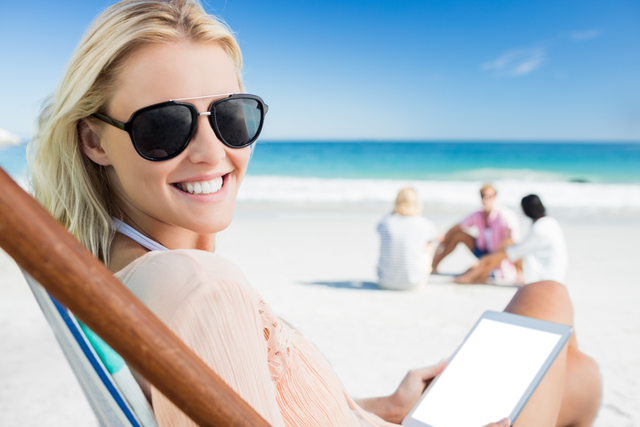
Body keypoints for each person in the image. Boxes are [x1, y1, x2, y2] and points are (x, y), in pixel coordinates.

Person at [28, 1, 600, 425]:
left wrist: (375, 407)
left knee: (570, 357)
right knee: (549, 305)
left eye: (232, 117)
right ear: (94, 141)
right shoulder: (201, 287)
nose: (212, 152)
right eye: (165, 125)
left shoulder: (124, 270)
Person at [455, 195, 568, 286]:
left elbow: (518, 251)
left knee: (505, 249)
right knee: (506, 248)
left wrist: (495, 254)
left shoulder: (540, 227)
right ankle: (478, 274)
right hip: (552, 275)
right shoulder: (550, 222)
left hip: (545, 278)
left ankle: (476, 274)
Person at [431, 183, 521, 281]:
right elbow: (457, 227)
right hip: (483, 251)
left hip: (497, 254)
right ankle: (434, 265)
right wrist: (442, 244)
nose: (486, 199)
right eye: (483, 196)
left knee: (510, 243)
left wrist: (489, 260)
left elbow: (513, 242)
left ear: (495, 197)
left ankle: (519, 274)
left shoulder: (505, 215)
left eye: (489, 196)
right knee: (458, 235)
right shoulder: (479, 214)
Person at [377, 188, 442, 290]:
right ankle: (429, 270)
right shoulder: (424, 223)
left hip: (384, 282)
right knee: (430, 243)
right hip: (414, 284)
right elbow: (439, 238)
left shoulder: (385, 221)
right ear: (417, 203)